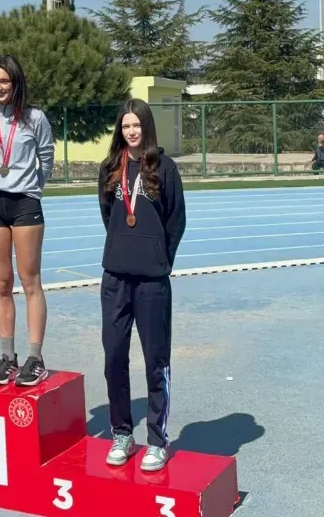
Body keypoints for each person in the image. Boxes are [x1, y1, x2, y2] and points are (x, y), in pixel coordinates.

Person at [98, 99, 186, 473]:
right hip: (116, 278)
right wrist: (123, 247)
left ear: (146, 128)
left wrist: (158, 258)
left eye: (137, 125)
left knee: (155, 361)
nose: (131, 131)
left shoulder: (165, 168)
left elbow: (176, 221)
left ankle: (156, 440)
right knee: (114, 358)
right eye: (125, 126)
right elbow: (108, 215)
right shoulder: (109, 168)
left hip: (152, 282)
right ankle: (121, 433)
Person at [0, 54, 54, 387]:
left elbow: (46, 158)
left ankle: (35, 357)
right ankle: (8, 357)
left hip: (25, 203)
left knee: (30, 280)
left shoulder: (34, 118)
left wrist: (32, 188)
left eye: (4, 81)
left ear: (16, 83)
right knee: (1, 283)